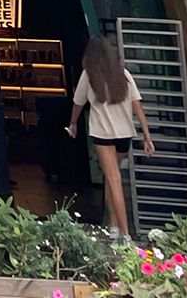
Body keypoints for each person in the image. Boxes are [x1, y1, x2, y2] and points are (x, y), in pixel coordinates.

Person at [64, 37, 151, 236]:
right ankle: (112, 225)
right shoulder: (123, 74)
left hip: (103, 134)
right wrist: (147, 136)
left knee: (113, 179)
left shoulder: (89, 74)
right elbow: (137, 105)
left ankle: (124, 232)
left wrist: (73, 123)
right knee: (111, 177)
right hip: (124, 134)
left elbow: (78, 103)